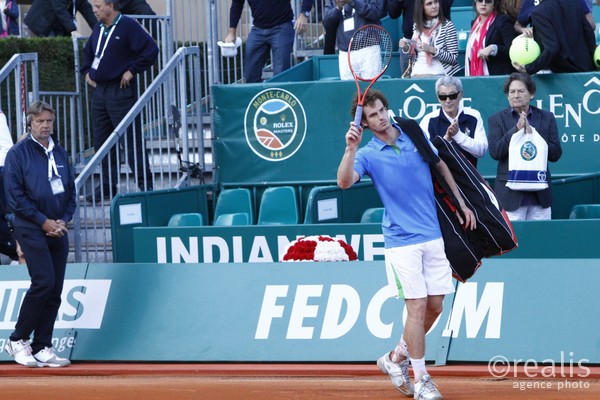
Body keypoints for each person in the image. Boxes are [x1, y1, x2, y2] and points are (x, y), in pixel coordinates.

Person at [337, 89, 475, 400]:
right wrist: (349, 149)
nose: (381, 117)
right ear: (365, 123)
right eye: (373, 115)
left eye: (383, 109)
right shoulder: (367, 154)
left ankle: (395, 358)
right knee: (417, 305)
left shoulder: (412, 131)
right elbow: (344, 182)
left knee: (436, 305)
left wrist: (462, 202)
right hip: (401, 242)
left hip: (433, 234)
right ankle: (422, 378)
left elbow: (440, 166)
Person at [3, 101, 76, 367]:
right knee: (43, 282)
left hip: (57, 228)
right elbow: (15, 197)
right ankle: (17, 339)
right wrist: (43, 221)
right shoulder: (18, 154)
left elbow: (70, 191)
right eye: (40, 121)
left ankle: (42, 345)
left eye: (49, 121)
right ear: (30, 123)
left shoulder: (60, 152)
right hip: (30, 226)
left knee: (55, 290)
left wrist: (63, 220)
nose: (45, 126)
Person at [81, 0, 158, 201]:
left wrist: (132, 70)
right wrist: (87, 72)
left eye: (98, 6)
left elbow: (150, 50)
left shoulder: (128, 26)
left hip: (121, 91)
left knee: (131, 141)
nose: (94, 11)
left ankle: (145, 186)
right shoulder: (99, 28)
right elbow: (88, 53)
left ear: (111, 6)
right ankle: (107, 186)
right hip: (100, 92)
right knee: (102, 142)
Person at [488, 72, 562, 221]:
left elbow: (555, 154)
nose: (516, 95)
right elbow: (495, 152)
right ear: (508, 96)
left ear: (532, 94)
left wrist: (534, 137)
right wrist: (515, 130)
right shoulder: (496, 119)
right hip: (510, 198)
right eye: (512, 92)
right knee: (515, 244)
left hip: (540, 199)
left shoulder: (547, 118)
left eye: (521, 91)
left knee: (541, 241)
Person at [224, 0, 314, 83]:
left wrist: (304, 15)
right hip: (257, 29)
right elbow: (237, 4)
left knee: (281, 76)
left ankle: (279, 100)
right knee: (250, 76)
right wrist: (232, 32)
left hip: (282, 27)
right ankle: (254, 99)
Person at [420, 76, 488, 167]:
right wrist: (446, 140)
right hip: (439, 178)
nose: (448, 100)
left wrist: (458, 135)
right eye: (443, 96)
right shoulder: (428, 120)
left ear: (460, 95)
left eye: (452, 96)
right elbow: (425, 153)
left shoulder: (474, 116)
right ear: (438, 97)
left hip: (468, 177)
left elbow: (481, 150)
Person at [513, 0, 596, 74]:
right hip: (585, 67)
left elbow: (552, 48)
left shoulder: (539, 12)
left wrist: (530, 68)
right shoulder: (573, 2)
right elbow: (588, 33)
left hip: (560, 73)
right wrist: (594, 63)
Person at [323, 0, 387, 80]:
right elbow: (327, 23)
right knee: (349, 91)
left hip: (369, 49)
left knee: (372, 90)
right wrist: (337, 8)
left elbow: (376, 12)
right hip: (345, 53)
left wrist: (353, 2)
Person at [387, 0, 454, 74]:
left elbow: (444, 6)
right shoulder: (415, 26)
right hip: (411, 38)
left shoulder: (447, 26)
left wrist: (432, 50)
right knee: (408, 82)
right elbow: (393, 13)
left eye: (435, 2)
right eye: (429, 3)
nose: (434, 6)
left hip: (439, 35)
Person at [465, 0, 517, 76]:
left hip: (498, 76)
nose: (483, 4)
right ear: (475, 2)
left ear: (494, 4)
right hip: (476, 75)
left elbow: (512, 49)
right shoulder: (474, 23)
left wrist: (493, 48)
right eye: (480, 0)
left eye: (488, 1)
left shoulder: (503, 21)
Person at [515, 0, 594, 37]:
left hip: (573, 54)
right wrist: (524, 30)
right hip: (543, 58)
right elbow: (518, 25)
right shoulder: (531, 1)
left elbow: (591, 25)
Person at [24, 0, 98, 37]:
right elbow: (60, 9)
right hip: (40, 21)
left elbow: (87, 10)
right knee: (52, 49)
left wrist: (99, 29)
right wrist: (72, 30)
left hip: (57, 22)